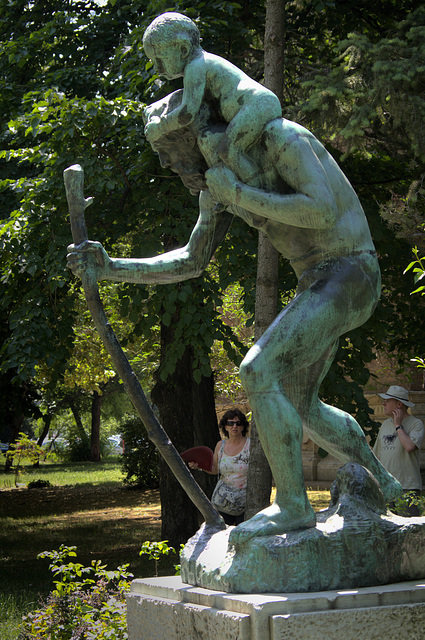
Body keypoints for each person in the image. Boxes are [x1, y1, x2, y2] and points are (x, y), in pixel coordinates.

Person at [67, 45, 403, 543]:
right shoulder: (218, 182)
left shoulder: (280, 138)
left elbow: (320, 211)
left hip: (352, 271)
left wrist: (239, 194)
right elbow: (190, 260)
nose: (175, 169)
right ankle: (386, 482)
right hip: (320, 282)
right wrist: (111, 267)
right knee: (301, 402)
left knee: (256, 369)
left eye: (174, 155)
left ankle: (292, 507)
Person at [142, 12, 282, 190]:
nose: (157, 69)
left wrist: (161, 126)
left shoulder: (196, 67)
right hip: (256, 105)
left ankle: (255, 193)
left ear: (183, 49)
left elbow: (187, 113)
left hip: (257, 105)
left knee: (230, 150)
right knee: (218, 144)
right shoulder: (199, 65)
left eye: (159, 59)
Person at [189, 409, 250, 526]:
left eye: (238, 423)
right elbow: (215, 469)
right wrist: (199, 466)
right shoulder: (220, 445)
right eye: (230, 423)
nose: (234, 426)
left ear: (243, 427)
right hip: (222, 502)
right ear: (225, 427)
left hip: (244, 503)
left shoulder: (251, 445)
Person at [373, 385, 424, 516]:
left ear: (399, 404)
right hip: (386, 487)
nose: (383, 403)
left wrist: (398, 425)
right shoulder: (384, 425)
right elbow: (377, 457)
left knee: (410, 532)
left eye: (387, 400)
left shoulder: (416, 424)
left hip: (407, 487)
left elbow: (409, 447)